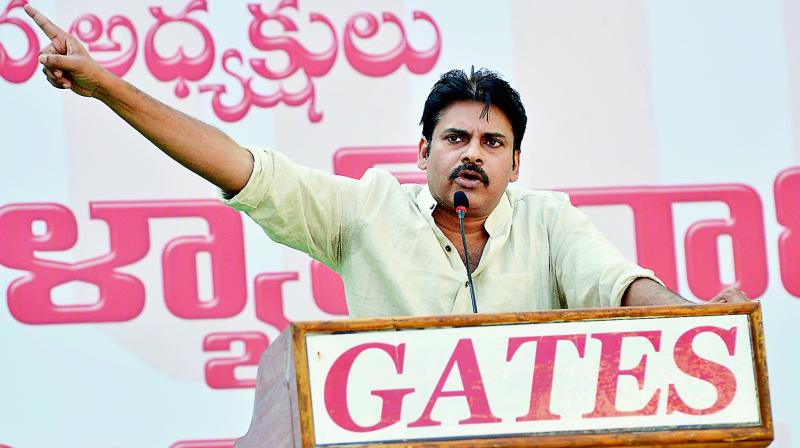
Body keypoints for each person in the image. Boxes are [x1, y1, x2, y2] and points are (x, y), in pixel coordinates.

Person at [24, 5, 749, 316]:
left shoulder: (548, 220)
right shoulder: (367, 208)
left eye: (492, 143)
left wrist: (688, 319)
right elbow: (241, 167)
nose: (472, 156)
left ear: (517, 164)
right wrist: (109, 87)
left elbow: (616, 286)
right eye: (455, 139)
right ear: (423, 151)